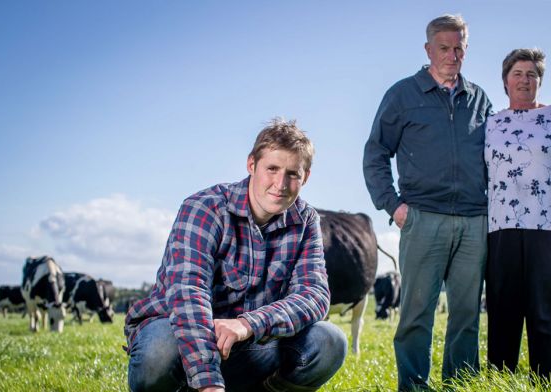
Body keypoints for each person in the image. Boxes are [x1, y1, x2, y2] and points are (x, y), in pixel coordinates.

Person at [124, 118, 347, 392]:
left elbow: (313, 295)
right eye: (272, 169)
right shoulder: (205, 208)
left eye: (293, 174)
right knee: (159, 348)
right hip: (185, 339)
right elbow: (188, 293)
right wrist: (208, 381)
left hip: (250, 344)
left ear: (306, 177)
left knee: (329, 340)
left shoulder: (305, 221)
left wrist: (248, 324)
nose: (281, 184)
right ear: (251, 164)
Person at [363, 14, 492, 391]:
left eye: (459, 49)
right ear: (428, 49)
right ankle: (415, 387)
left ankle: (459, 385)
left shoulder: (479, 97)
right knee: (417, 313)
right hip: (422, 218)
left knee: (466, 316)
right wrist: (393, 205)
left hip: (473, 221)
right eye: (444, 49)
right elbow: (375, 152)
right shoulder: (403, 94)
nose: (452, 56)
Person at [484, 48, 551, 387]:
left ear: (539, 81)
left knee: (545, 314)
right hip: (501, 229)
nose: (524, 80)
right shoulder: (490, 123)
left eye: (532, 74)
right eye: (517, 73)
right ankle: (501, 383)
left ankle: (545, 384)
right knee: (502, 314)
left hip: (550, 230)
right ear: (505, 81)